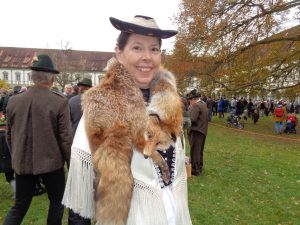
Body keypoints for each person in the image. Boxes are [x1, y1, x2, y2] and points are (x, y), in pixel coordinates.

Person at [62, 15, 192, 225]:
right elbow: (82, 194)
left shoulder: (170, 100)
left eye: (154, 49)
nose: (147, 57)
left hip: (174, 214)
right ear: (119, 53)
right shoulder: (101, 105)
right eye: (137, 48)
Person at [3, 54, 72, 225]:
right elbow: (65, 138)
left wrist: (16, 155)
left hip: (24, 162)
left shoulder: (14, 101)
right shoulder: (59, 102)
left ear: (33, 77)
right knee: (56, 202)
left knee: (20, 205)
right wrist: (71, 164)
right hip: (52, 163)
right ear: (52, 78)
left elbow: (9, 135)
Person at [68, 77, 93, 225]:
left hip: (76, 144)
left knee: (78, 187)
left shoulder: (71, 101)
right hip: (89, 145)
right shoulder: (94, 101)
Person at [187, 91, 208, 176]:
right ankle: (199, 167)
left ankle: (195, 170)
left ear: (193, 99)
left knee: (195, 151)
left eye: (190, 100)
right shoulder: (203, 104)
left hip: (196, 131)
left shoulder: (196, 106)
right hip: (202, 131)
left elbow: (192, 119)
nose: (189, 102)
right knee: (199, 151)